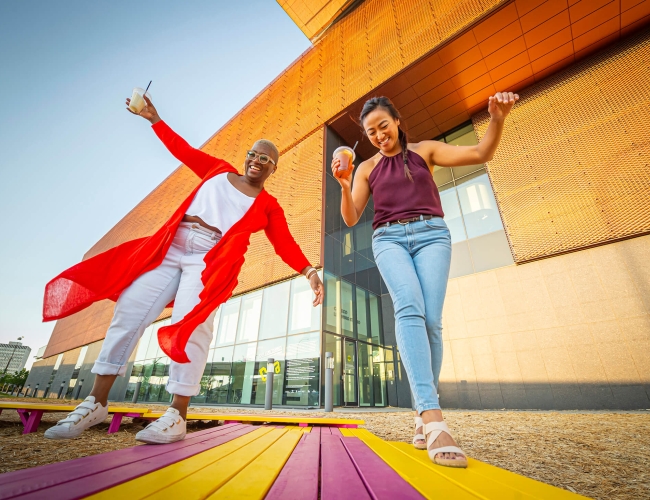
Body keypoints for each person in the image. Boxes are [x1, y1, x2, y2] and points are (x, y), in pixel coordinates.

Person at [43, 95, 324, 443]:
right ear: (246, 156)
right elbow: (183, 150)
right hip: (172, 247)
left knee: (193, 326)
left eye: (266, 158)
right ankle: (96, 402)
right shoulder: (218, 170)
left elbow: (285, 244)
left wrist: (309, 272)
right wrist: (154, 119)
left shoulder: (268, 205)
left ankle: (177, 414)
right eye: (254, 153)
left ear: (273, 168)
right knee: (129, 310)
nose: (257, 160)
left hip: (209, 260)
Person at [331, 92, 518, 467]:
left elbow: (481, 154)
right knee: (410, 309)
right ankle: (433, 419)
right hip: (388, 239)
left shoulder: (425, 151)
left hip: (433, 235)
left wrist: (497, 118)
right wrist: (344, 183)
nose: (379, 135)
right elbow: (351, 218)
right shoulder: (367, 168)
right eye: (371, 132)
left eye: (383, 126)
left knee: (432, 323)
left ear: (397, 121)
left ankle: (420, 414)